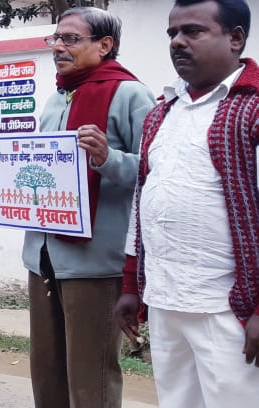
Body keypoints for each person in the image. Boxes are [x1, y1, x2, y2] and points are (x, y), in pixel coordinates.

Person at [0, 7, 155, 407]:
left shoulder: (131, 94)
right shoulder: (56, 97)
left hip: (94, 262)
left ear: (105, 44)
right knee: (46, 372)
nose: (58, 47)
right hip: (43, 258)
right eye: (55, 39)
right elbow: (46, 166)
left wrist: (108, 158)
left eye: (71, 39)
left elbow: (154, 171)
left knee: (89, 378)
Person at [116, 0, 259, 406]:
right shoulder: (162, 113)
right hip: (165, 301)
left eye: (193, 31)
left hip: (228, 309)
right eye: (172, 34)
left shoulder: (252, 109)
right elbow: (143, 201)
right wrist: (131, 283)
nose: (177, 42)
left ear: (235, 39)